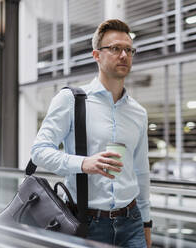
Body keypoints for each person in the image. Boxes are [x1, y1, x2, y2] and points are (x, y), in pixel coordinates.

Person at [31, 19, 152, 247]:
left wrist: (146, 223)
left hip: (132, 222)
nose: (124, 55)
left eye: (129, 49)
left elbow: (141, 171)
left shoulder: (138, 112)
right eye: (115, 49)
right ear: (96, 55)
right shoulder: (71, 100)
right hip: (87, 222)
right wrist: (83, 163)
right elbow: (39, 151)